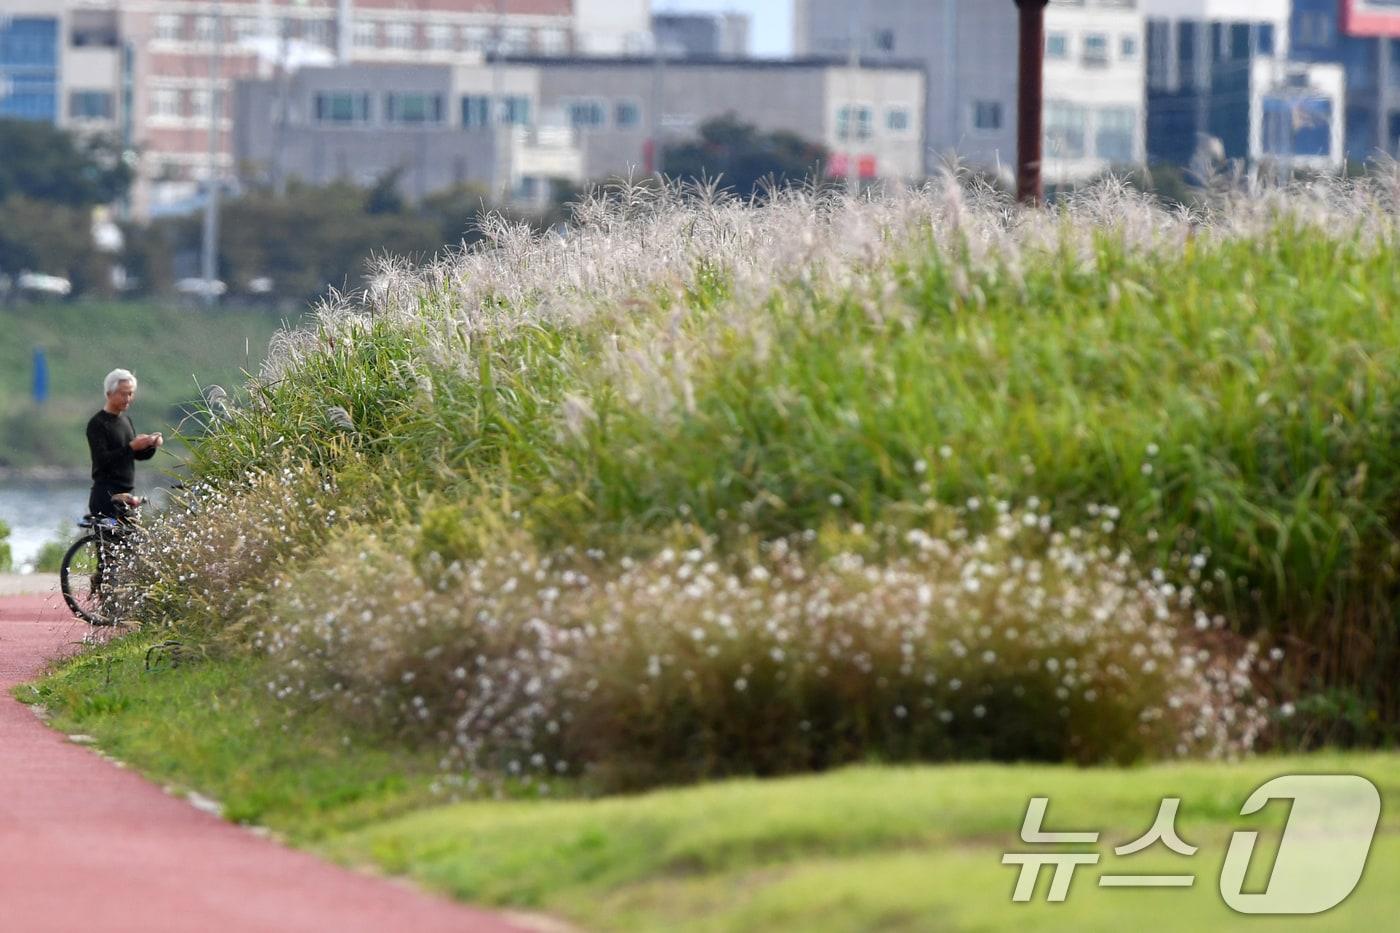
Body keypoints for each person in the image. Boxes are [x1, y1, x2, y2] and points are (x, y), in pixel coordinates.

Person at [86, 368, 163, 519]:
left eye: (131, 393)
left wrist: (150, 444)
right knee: (111, 542)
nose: (128, 398)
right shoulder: (97, 423)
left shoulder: (126, 421)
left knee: (133, 541)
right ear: (109, 394)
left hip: (128, 495)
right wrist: (131, 446)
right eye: (123, 394)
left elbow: (136, 455)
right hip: (106, 496)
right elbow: (102, 460)